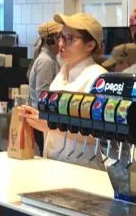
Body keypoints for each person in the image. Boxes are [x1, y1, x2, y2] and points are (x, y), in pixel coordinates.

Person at [19, 13, 107, 168]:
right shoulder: (61, 75)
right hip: (55, 166)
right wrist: (39, 117)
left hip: (83, 171)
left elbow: (102, 136)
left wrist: (52, 125)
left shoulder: (99, 79)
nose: (61, 43)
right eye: (61, 37)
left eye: (70, 38)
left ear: (90, 45)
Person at [27, 21, 62, 107]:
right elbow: (43, 97)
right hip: (41, 113)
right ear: (49, 41)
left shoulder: (51, 59)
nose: (62, 42)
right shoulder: (46, 61)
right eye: (59, 38)